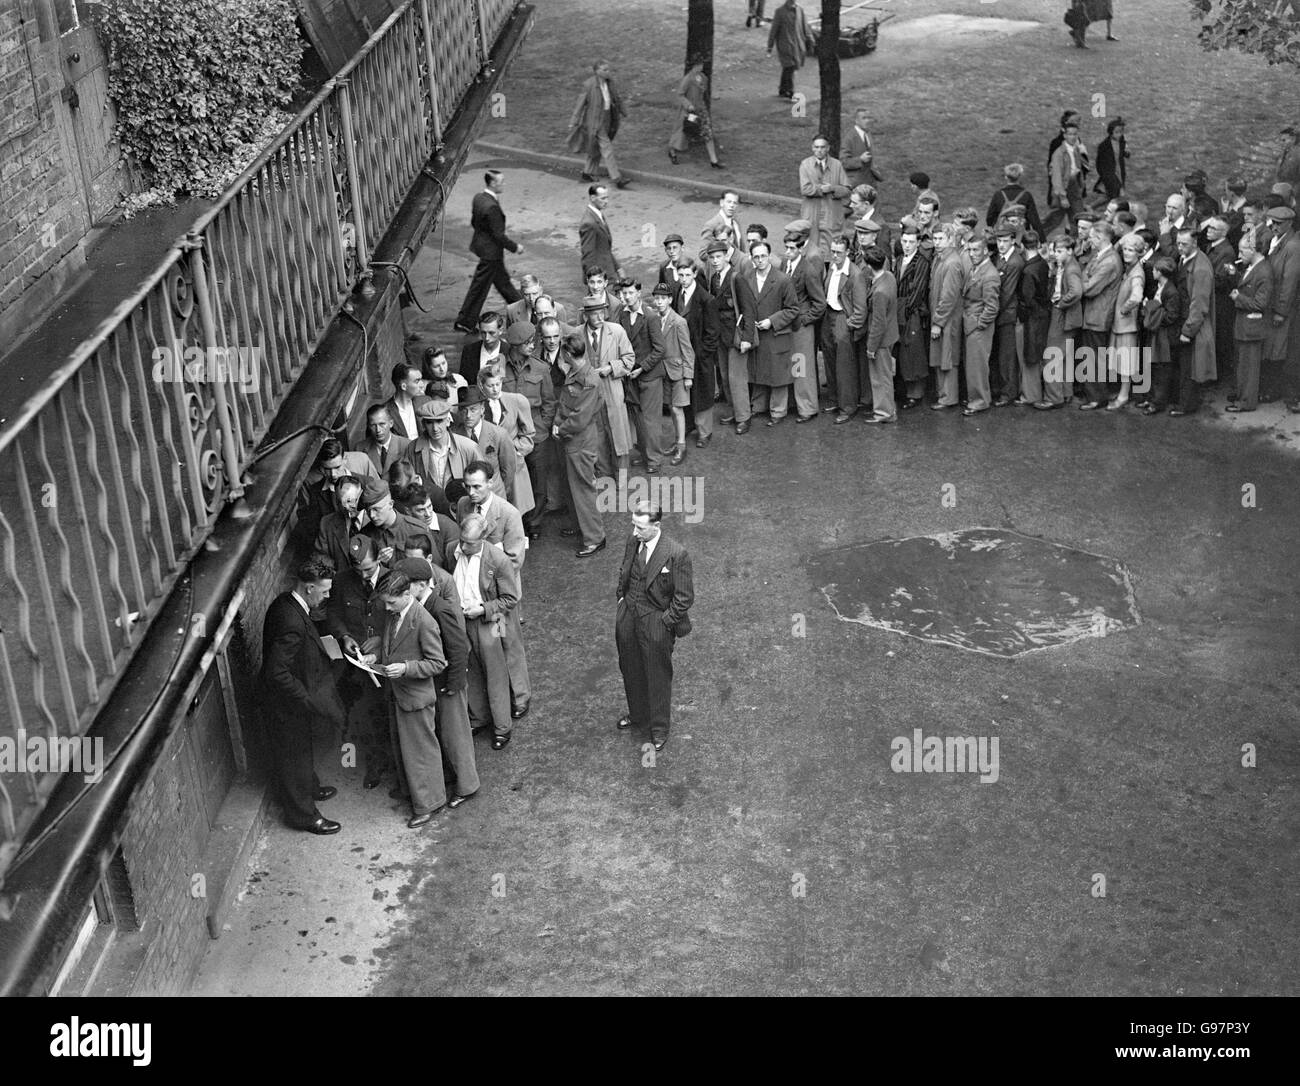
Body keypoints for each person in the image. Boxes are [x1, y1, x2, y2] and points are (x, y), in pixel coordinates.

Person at [260, 556, 347, 835]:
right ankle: (304, 815)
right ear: (309, 588)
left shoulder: (285, 603)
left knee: (301, 750)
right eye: (324, 591)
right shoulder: (292, 622)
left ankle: (310, 788)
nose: (328, 595)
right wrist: (305, 698)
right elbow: (277, 672)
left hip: (292, 700)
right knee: (293, 755)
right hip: (287, 705)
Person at [393, 557, 478, 808]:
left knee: (456, 736)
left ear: (420, 585)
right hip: (437, 682)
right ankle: (455, 778)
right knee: (444, 733)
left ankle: (467, 785)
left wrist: (453, 685)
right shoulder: (422, 605)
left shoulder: (439, 608)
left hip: (449, 683)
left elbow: (458, 647)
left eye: (407, 585)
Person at [366, 571, 448, 828]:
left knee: (421, 752)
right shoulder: (396, 614)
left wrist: (406, 668)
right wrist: (375, 656)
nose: (387, 608)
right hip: (399, 694)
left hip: (414, 696)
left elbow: (437, 663)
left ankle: (429, 804)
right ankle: (413, 793)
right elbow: (391, 644)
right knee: (405, 749)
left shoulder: (425, 622)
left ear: (406, 594)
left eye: (391, 602)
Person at [615, 501, 694, 752]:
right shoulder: (633, 541)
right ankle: (638, 715)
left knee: (657, 674)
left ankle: (659, 728)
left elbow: (684, 597)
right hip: (630, 613)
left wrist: (666, 622)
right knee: (630, 666)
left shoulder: (675, 553)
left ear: (656, 526)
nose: (635, 532)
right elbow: (625, 570)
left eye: (640, 527)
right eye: (633, 525)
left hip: (656, 619)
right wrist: (621, 600)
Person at [451, 513, 522, 750]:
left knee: (495, 674)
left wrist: (483, 609)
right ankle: (479, 717)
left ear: (482, 539)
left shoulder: (498, 559)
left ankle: (502, 727)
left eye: (469, 543)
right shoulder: (454, 550)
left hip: (488, 622)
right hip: (461, 620)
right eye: (462, 540)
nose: (463, 546)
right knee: (470, 670)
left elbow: (510, 599)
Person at [551, 332, 607, 556]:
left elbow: (581, 416)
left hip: (580, 441)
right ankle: (581, 527)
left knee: (584, 489)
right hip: (573, 439)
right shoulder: (576, 373)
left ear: (567, 354)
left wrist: (560, 429)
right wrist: (558, 424)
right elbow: (565, 404)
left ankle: (595, 538)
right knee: (573, 487)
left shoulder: (589, 380)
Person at [453, 170, 523, 334]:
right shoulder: (491, 206)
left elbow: (474, 222)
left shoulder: (479, 198)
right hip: (491, 254)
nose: (503, 184)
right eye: (501, 181)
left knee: (503, 283)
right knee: (479, 288)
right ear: (492, 183)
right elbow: (498, 235)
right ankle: (464, 321)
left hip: (486, 250)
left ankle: (521, 310)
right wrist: (515, 247)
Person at [742, 240, 800, 426]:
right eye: (756, 257)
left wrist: (772, 321)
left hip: (775, 334)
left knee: (778, 375)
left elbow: (793, 309)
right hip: (757, 334)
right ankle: (758, 406)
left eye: (763, 256)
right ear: (751, 258)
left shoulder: (783, 280)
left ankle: (778, 411)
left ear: (770, 256)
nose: (760, 260)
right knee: (758, 371)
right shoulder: (747, 277)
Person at [579, 294, 636, 477]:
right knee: (597, 436)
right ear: (586, 315)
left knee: (618, 435)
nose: (600, 317)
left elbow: (629, 359)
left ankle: (622, 477)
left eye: (602, 312)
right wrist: (584, 374)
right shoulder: (576, 334)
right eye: (595, 314)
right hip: (589, 394)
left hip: (612, 390)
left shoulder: (617, 331)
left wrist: (611, 367)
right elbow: (567, 361)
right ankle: (604, 475)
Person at [781, 220, 826, 422]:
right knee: (792, 364)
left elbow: (820, 303)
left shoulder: (807, 269)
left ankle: (807, 408)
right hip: (788, 324)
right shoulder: (785, 264)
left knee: (802, 367)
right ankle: (795, 403)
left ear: (801, 249)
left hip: (801, 326)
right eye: (787, 248)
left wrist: (805, 320)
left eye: (792, 248)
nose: (788, 252)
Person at [674, 258, 721, 446]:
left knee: (703, 392)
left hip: (700, 356)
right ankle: (688, 427)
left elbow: (712, 332)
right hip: (681, 354)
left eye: (687, 275)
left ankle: (704, 432)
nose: (684, 279)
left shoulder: (706, 299)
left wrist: (703, 354)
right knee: (684, 391)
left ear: (694, 274)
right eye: (681, 275)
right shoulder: (677, 293)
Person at [1170, 228, 1216, 416]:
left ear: (1195, 243)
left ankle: (1186, 405)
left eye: (1184, 244)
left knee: (1190, 368)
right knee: (1185, 365)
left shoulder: (1201, 268)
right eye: (1178, 243)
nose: (1180, 247)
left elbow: (1199, 305)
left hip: (1191, 324)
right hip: (1184, 319)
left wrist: (1187, 331)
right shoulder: (1187, 259)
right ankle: (1182, 401)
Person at [1227, 231, 1274, 413]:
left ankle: (1246, 402)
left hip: (1252, 327)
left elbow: (1260, 304)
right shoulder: (1254, 267)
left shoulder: (1264, 272)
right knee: (1242, 364)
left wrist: (1239, 298)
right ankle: (1241, 395)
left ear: (1253, 249)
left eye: (1242, 251)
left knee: (1249, 368)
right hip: (1245, 326)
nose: (1239, 255)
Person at [825, 234, 870, 422]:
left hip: (843, 318)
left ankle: (848, 407)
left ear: (848, 252)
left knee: (845, 367)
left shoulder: (855, 274)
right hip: (829, 316)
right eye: (832, 251)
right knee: (830, 361)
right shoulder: (832, 267)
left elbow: (861, 310)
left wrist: (848, 325)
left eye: (838, 252)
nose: (834, 256)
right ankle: (836, 399)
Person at [1079, 221, 1123, 409]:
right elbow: (1086, 274)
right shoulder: (1102, 256)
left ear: (1100, 238)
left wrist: (1082, 277)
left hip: (1098, 315)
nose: (1089, 241)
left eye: (1091, 238)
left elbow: (1088, 288)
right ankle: (1092, 393)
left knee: (1095, 357)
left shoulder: (1109, 261)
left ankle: (1097, 397)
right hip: (1094, 314)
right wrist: (1085, 275)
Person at [649, 282, 695, 464]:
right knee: (671, 407)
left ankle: (681, 446)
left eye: (663, 298)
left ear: (670, 300)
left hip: (678, 371)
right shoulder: (654, 319)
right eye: (657, 298)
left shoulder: (678, 322)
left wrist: (688, 375)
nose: (659, 302)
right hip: (662, 371)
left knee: (677, 409)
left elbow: (688, 350)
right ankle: (677, 442)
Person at [1037, 235, 1084, 409]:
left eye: (1059, 251)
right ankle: (1065, 393)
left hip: (1062, 316)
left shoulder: (1071, 269)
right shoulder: (1067, 265)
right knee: (1063, 357)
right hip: (1069, 318)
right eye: (1054, 251)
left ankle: (1053, 398)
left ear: (1070, 251)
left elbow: (1077, 292)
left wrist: (1061, 302)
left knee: (1052, 355)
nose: (1055, 255)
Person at [1261, 206, 1300, 409]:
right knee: (1274, 349)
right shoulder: (1275, 240)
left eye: (1278, 223)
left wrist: (1281, 311)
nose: (1273, 226)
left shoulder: (1293, 246)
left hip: (1285, 309)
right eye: (1272, 222)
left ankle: (1289, 395)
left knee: (1285, 351)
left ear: (1289, 224)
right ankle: (1274, 389)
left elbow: (1289, 282)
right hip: (1273, 305)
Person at [568, 60, 629, 189]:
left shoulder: (610, 83)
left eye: (609, 69)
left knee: (595, 147)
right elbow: (580, 105)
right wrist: (574, 121)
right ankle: (617, 178)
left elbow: (617, 98)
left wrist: (623, 111)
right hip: (594, 121)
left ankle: (587, 173)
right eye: (605, 70)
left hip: (608, 119)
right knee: (607, 148)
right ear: (597, 71)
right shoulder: (589, 85)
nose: (608, 72)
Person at [1141, 256, 1188, 416]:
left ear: (1160, 272)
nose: (1152, 272)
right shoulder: (1160, 287)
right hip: (1157, 335)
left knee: (1162, 370)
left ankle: (1158, 402)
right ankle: (1152, 397)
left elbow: (1171, 316)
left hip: (1164, 337)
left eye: (1154, 270)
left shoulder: (1171, 291)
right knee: (1154, 367)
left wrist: (1150, 307)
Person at [960, 235, 1000, 415]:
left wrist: (979, 324)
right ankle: (976, 397)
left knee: (977, 366)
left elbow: (992, 307)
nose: (972, 254)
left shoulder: (990, 274)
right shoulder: (977, 269)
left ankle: (980, 401)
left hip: (977, 326)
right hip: (971, 323)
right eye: (969, 250)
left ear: (985, 250)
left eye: (976, 250)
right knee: (973, 365)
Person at [928, 224, 967, 410]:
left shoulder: (951, 263)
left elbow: (948, 297)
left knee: (948, 358)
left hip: (948, 319)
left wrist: (938, 322)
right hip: (943, 318)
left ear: (950, 239)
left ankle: (948, 397)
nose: (937, 243)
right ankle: (943, 395)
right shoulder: (941, 258)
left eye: (941, 239)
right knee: (941, 356)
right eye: (934, 239)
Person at [1106, 232, 1147, 409]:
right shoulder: (1129, 269)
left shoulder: (1136, 274)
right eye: (1125, 250)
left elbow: (1137, 297)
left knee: (1126, 363)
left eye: (1131, 250)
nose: (1127, 253)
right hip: (1121, 325)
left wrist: (1124, 309)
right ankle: (1122, 392)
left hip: (1127, 325)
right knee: (1120, 360)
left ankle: (1123, 396)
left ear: (1139, 252)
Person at [860, 246, 900, 423]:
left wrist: (871, 347)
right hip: (891, 335)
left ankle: (884, 413)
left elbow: (878, 323)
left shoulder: (879, 292)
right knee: (885, 375)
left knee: (880, 378)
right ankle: (886, 408)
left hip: (881, 341)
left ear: (869, 266)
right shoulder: (889, 278)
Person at [893, 223, 931, 409]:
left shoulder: (921, 262)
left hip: (912, 312)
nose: (907, 245)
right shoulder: (899, 260)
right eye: (905, 241)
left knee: (913, 351)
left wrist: (906, 310)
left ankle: (915, 394)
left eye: (911, 242)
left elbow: (918, 291)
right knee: (901, 351)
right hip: (899, 309)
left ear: (918, 243)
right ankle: (903, 389)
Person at [798, 136, 851, 260]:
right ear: (812, 148)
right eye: (816, 147)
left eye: (822, 147)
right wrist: (822, 189)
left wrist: (832, 188)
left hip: (831, 214)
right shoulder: (805, 165)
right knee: (810, 249)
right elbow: (805, 189)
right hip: (812, 213)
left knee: (832, 250)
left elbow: (847, 189)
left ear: (828, 148)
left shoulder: (837, 165)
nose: (819, 150)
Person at [991, 224, 1026, 406]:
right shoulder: (1001, 258)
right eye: (999, 241)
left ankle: (1008, 392)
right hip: (1002, 314)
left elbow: (1006, 293)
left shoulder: (1014, 262)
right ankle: (1001, 389)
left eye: (1005, 241)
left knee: (1007, 356)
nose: (1001, 245)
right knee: (1000, 354)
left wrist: (991, 312)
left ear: (1013, 240)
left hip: (1007, 316)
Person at [1018, 230, 1052, 407]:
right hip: (1043, 313)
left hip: (1032, 316)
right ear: (1038, 244)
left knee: (1030, 355)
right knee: (1038, 354)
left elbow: (1027, 299)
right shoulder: (1042, 263)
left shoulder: (1028, 270)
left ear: (1023, 246)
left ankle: (1030, 395)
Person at [669, 62, 724, 169]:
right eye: (698, 65)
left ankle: (714, 160)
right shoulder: (688, 79)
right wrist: (688, 105)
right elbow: (680, 94)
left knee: (707, 132)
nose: (701, 67)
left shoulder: (703, 77)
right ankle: (672, 150)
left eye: (701, 65)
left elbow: (704, 92)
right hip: (690, 111)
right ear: (693, 66)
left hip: (701, 110)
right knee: (682, 132)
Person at [1046, 120, 1088, 237]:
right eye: (1070, 134)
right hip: (1064, 187)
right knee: (1055, 218)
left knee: (1078, 216)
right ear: (1064, 135)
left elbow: (1078, 167)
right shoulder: (1059, 153)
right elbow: (1057, 176)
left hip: (1074, 185)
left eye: (1075, 134)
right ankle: (1040, 236)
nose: (1073, 137)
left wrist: (1081, 185)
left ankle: (1074, 241)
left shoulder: (1076, 149)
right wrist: (1062, 196)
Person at [768, 0, 815, 101]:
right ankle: (790, 91)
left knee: (788, 68)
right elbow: (774, 29)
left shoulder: (800, 10)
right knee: (790, 66)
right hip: (785, 45)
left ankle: (782, 89)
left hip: (797, 44)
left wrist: (811, 41)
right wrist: (770, 46)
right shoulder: (780, 12)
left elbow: (805, 27)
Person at [578, 184, 624, 286]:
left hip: (607, 273)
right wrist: (593, 282)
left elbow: (605, 248)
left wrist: (618, 268)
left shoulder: (597, 215)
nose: (606, 201)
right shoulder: (589, 223)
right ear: (593, 198)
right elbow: (588, 255)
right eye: (603, 198)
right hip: (601, 278)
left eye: (607, 197)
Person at [987, 163, 1045, 240]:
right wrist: (1042, 240)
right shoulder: (1026, 195)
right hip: (1021, 236)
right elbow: (1034, 220)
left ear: (1006, 177)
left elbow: (989, 218)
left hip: (1003, 235)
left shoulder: (998, 195)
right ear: (1020, 177)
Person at [458, 310, 506, 388]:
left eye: (491, 333)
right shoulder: (469, 351)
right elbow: (463, 382)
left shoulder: (510, 352)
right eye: (483, 333)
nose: (487, 338)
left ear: (500, 331)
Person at [360, 403, 410, 475]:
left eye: (382, 424)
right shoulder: (360, 448)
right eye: (373, 425)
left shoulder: (407, 446)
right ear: (368, 426)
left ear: (391, 423)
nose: (378, 430)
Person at [842, 107, 883, 183]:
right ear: (856, 120)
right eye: (864, 118)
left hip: (870, 182)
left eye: (868, 118)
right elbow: (844, 162)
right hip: (855, 183)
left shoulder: (868, 134)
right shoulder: (849, 138)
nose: (867, 121)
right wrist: (860, 159)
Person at [1095, 117, 1129, 200]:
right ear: (1110, 132)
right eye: (1117, 132)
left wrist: (1126, 152)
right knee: (1117, 195)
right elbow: (1101, 165)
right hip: (1110, 174)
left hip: (1119, 171)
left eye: (1121, 132)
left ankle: (1091, 207)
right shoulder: (1104, 146)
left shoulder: (1121, 141)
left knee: (1108, 197)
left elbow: (1123, 153)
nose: (1119, 135)